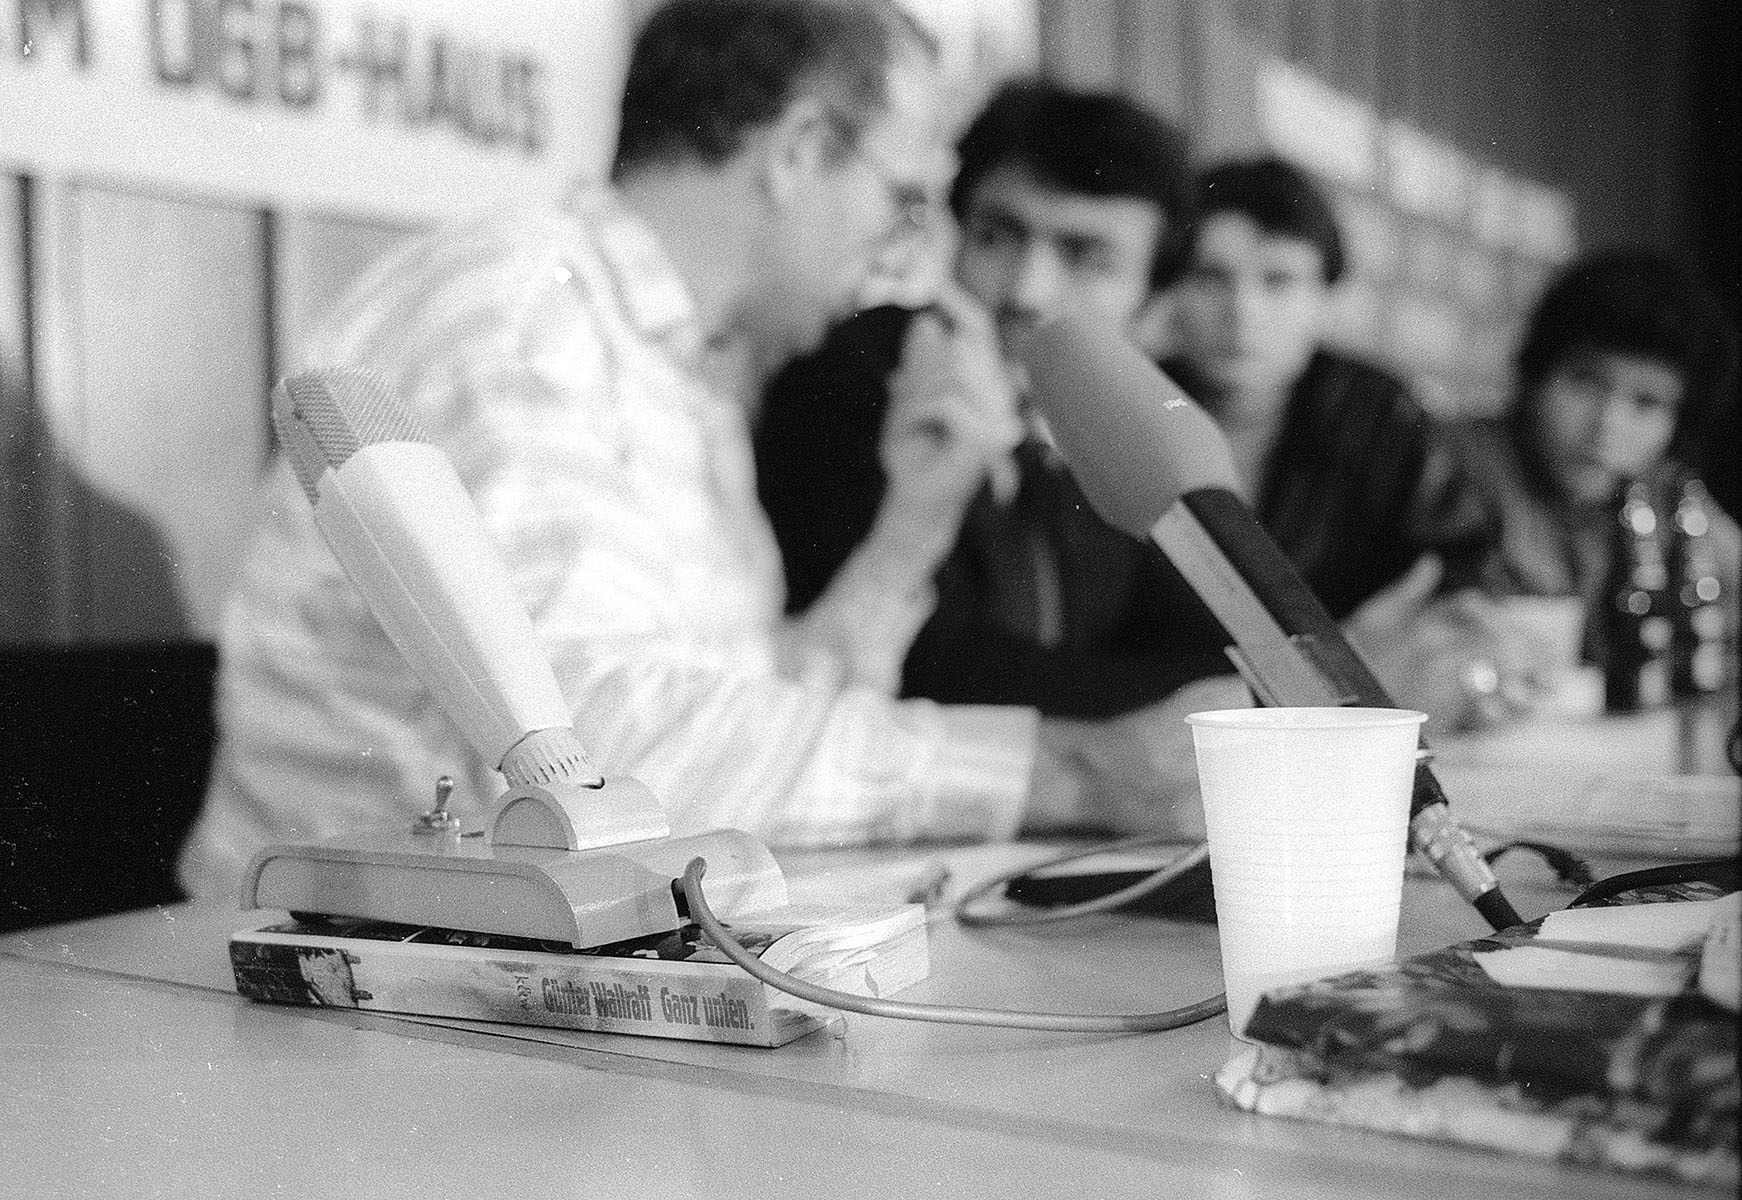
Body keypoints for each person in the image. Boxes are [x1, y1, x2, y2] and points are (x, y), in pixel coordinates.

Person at [178, 0, 1207, 900]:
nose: (907, 256)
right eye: (902, 200)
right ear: (799, 150)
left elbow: (726, 724)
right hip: (328, 977)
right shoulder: (522, 317)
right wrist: (1073, 772)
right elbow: (589, 767)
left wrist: (914, 527)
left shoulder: (676, 360)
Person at [757, 78, 1238, 719]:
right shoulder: (861, 371)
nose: (1027, 291)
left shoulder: (1114, 426)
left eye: (1085, 258)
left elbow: (1212, 638)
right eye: (997, 237)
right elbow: (938, 668)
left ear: (1151, 301)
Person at [1157, 155, 1524, 729]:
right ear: (1169, 288)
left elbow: (1465, 572)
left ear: (1324, 298)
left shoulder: (1377, 412)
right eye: (1210, 277)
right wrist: (1343, 650)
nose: (1242, 312)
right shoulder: (1135, 408)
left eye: (1279, 281)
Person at [1454, 248, 1740, 660]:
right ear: (1537, 374)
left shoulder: (1670, 500)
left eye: (1646, 403)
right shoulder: (1453, 465)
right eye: (1586, 382)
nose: (1606, 427)